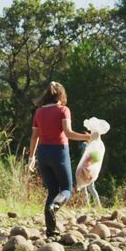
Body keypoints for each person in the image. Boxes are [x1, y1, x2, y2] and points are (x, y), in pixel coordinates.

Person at [27, 82, 97, 237]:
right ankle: (54, 207)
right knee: (66, 189)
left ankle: (51, 230)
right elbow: (68, 133)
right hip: (58, 151)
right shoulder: (63, 110)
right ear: (61, 95)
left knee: (52, 190)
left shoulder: (38, 112)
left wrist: (31, 158)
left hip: (43, 153)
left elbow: (34, 137)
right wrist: (88, 137)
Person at [76, 141, 101, 208]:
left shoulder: (84, 144)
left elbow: (85, 154)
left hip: (85, 168)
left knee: (85, 187)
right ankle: (97, 205)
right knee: (91, 188)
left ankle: (88, 205)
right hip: (90, 169)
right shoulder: (92, 146)